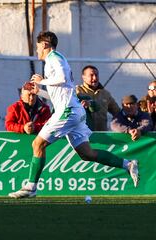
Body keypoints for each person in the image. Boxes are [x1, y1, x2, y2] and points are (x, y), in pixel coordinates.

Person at [9, 31, 139, 199]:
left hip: (68, 112)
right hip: (73, 110)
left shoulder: (54, 58)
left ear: (44, 45)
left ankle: (31, 186)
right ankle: (127, 165)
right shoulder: (55, 60)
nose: (37, 50)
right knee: (87, 154)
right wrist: (39, 91)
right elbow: (61, 93)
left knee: (37, 144)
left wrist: (42, 81)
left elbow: (62, 78)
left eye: (38, 46)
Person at [76, 65, 120, 131]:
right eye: (91, 75)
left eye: (96, 75)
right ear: (84, 77)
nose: (95, 78)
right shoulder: (77, 92)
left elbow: (117, 112)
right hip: (83, 134)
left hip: (101, 135)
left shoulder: (105, 94)